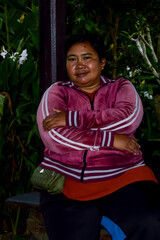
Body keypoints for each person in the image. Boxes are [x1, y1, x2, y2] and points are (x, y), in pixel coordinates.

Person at [37, 34, 160, 240]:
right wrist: (111, 140)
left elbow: (127, 119)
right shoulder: (56, 92)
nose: (79, 65)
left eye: (87, 57)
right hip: (68, 180)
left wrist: (71, 117)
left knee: (151, 221)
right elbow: (56, 138)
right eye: (72, 59)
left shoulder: (121, 87)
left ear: (102, 62)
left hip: (124, 176)